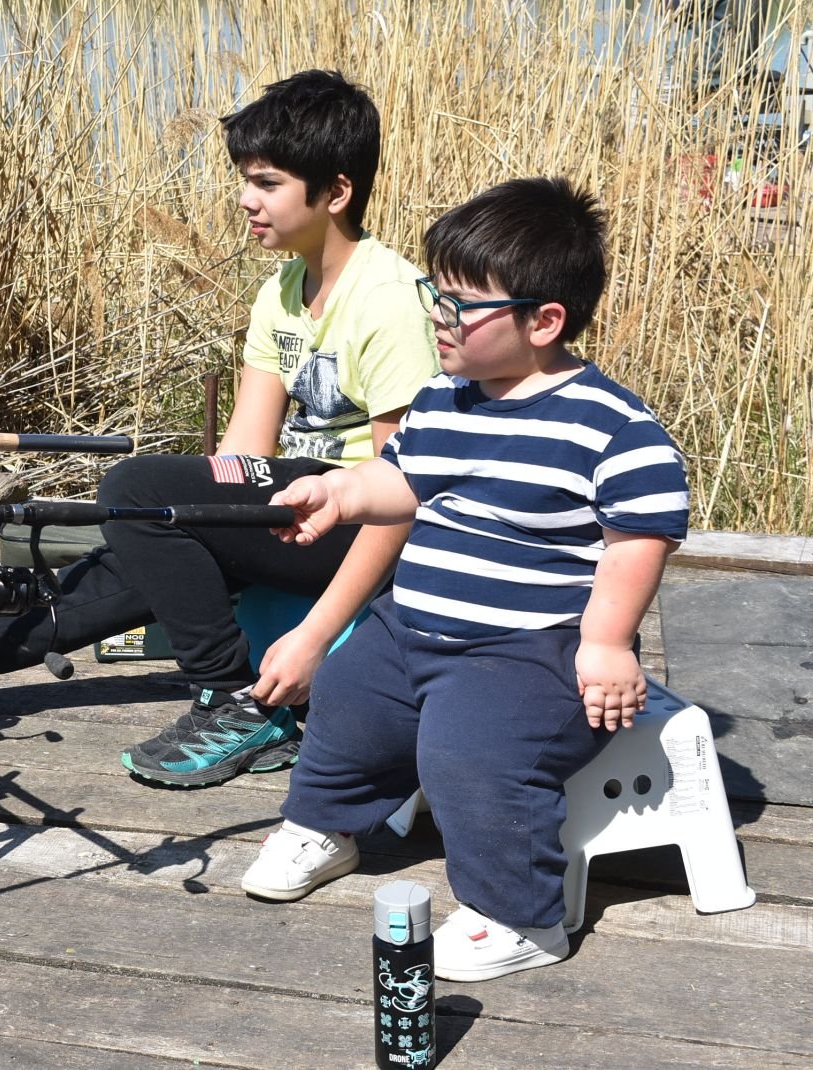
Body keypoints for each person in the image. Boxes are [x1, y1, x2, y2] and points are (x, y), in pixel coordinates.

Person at [0, 69, 438, 788]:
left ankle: (231, 701)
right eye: (246, 180)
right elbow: (241, 454)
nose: (247, 199)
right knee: (128, 543)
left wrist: (313, 630)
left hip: (354, 526)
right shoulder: (281, 291)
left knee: (136, 487)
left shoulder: (388, 299)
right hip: (287, 512)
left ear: (336, 192)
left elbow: (404, 495)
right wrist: (180, 528)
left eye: (268, 183)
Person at [239, 177, 690, 982]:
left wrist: (606, 642)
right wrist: (339, 494)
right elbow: (401, 482)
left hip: (526, 652)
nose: (438, 319)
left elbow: (635, 543)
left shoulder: (612, 429)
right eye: (435, 296)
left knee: (471, 753)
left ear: (543, 321)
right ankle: (326, 826)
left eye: (460, 306)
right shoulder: (445, 399)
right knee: (346, 697)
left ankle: (521, 914)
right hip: (411, 626)